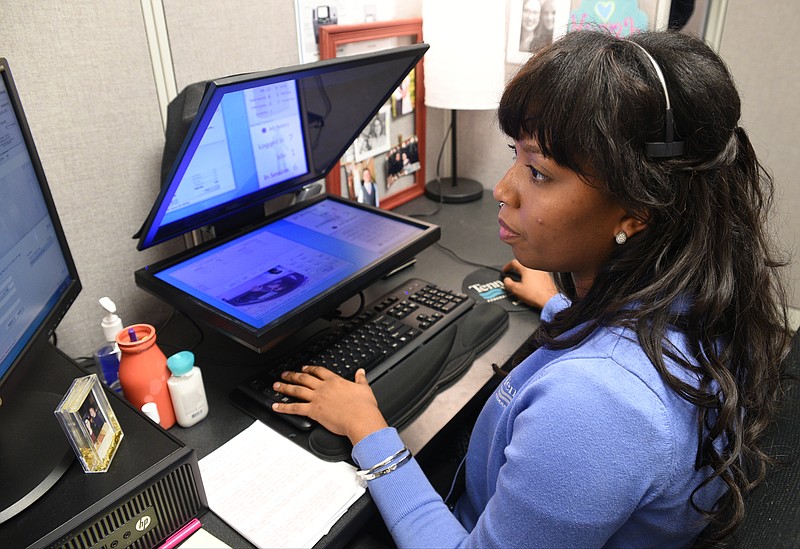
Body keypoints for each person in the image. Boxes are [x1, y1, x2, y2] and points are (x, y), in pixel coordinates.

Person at [271, 29, 790, 547]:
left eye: (538, 172)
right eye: (514, 155)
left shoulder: (597, 407)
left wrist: (368, 430)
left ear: (636, 211)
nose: (503, 189)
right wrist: (568, 306)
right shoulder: (707, 291)